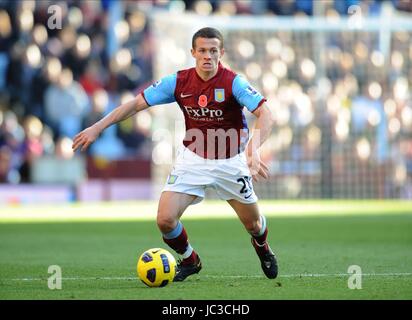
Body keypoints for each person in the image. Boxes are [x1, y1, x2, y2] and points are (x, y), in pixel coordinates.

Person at [72, 27, 278, 281]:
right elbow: (135, 105)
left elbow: (266, 113)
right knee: (165, 220)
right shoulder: (178, 82)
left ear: (221, 53)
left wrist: (253, 150)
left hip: (231, 162)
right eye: (202, 50)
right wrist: (97, 127)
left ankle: (262, 247)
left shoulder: (233, 82)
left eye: (213, 51)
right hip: (192, 160)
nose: (207, 56)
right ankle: (191, 260)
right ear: (193, 52)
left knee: (254, 225)